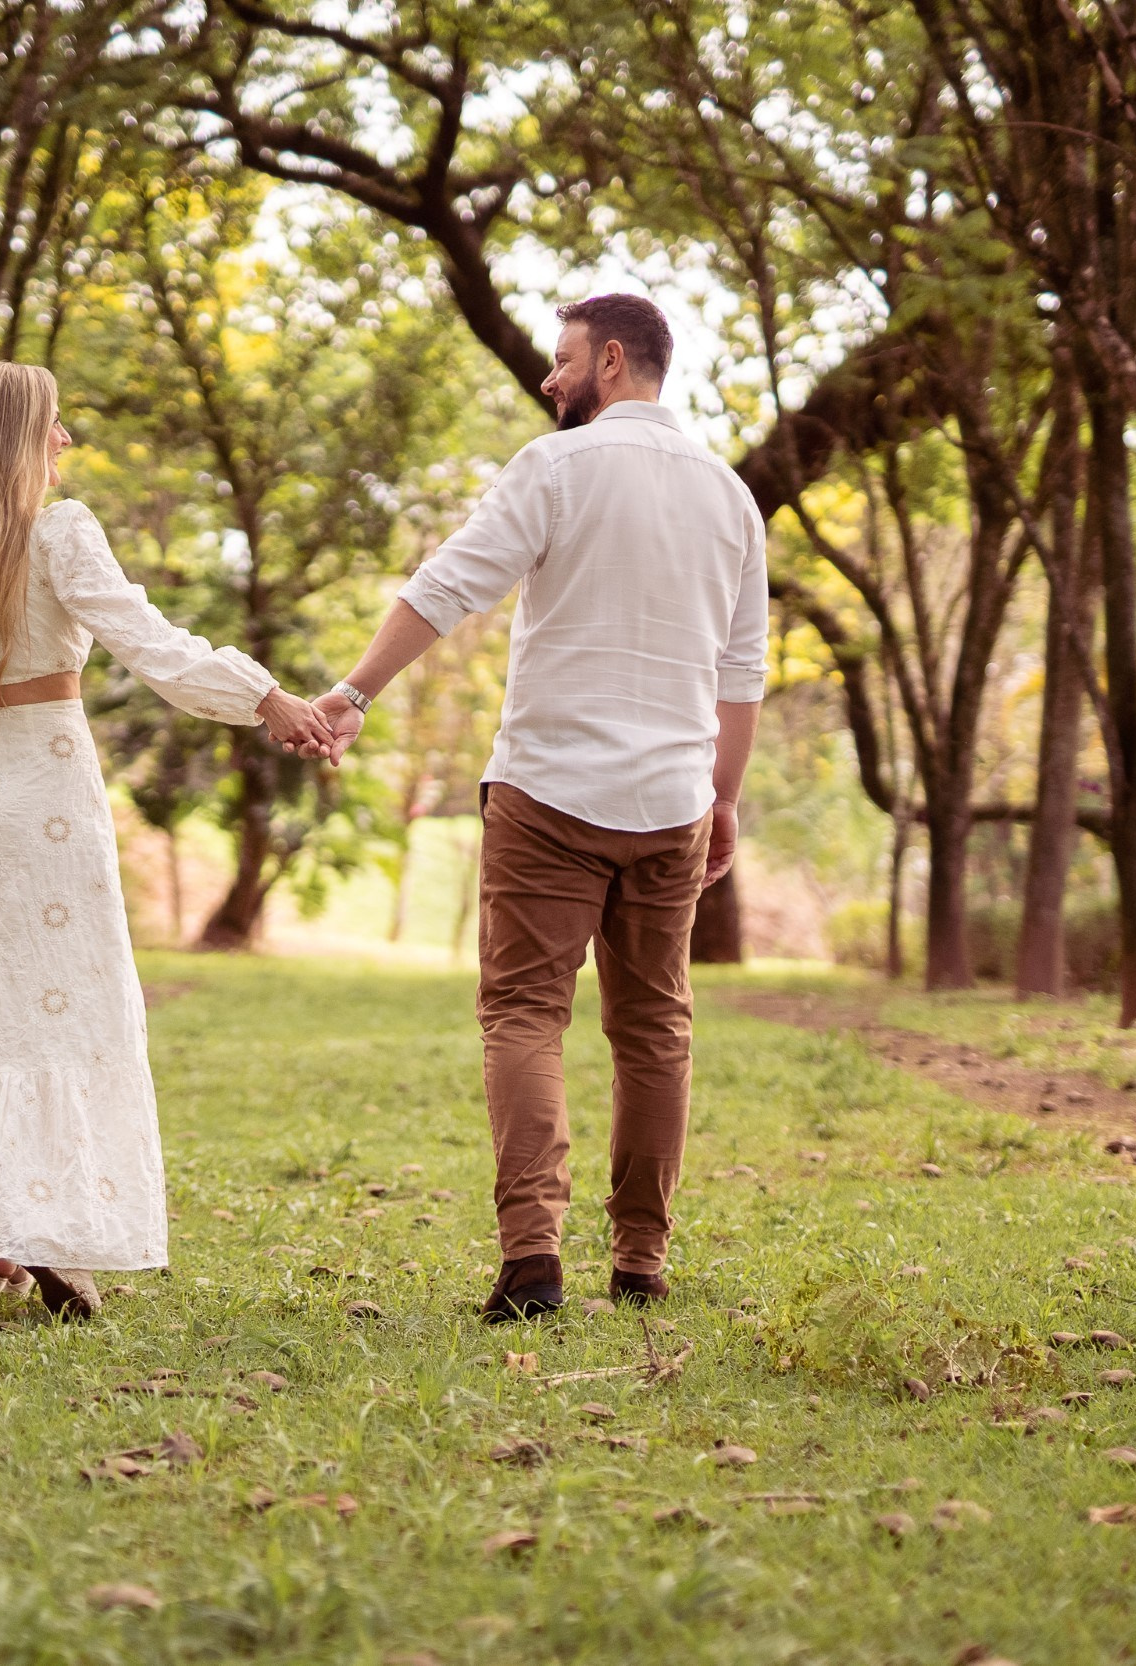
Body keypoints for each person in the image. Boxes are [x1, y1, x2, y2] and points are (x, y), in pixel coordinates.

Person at [314, 294, 767, 1321]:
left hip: (549, 792)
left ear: (612, 361)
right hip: (670, 801)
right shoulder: (731, 497)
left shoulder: (555, 467)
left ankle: (532, 1256)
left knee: (524, 1012)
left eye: (562, 361)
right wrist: (722, 799)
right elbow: (741, 675)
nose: (547, 381)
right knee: (654, 1027)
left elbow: (446, 587)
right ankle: (641, 1261)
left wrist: (352, 695)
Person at [0, 361, 334, 1318]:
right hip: (48, 804)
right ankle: (30, 1227)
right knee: (55, 1013)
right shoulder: (61, 533)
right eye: (55, 424)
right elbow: (149, 643)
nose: (65, 440)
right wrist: (264, 697)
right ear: (19, 438)